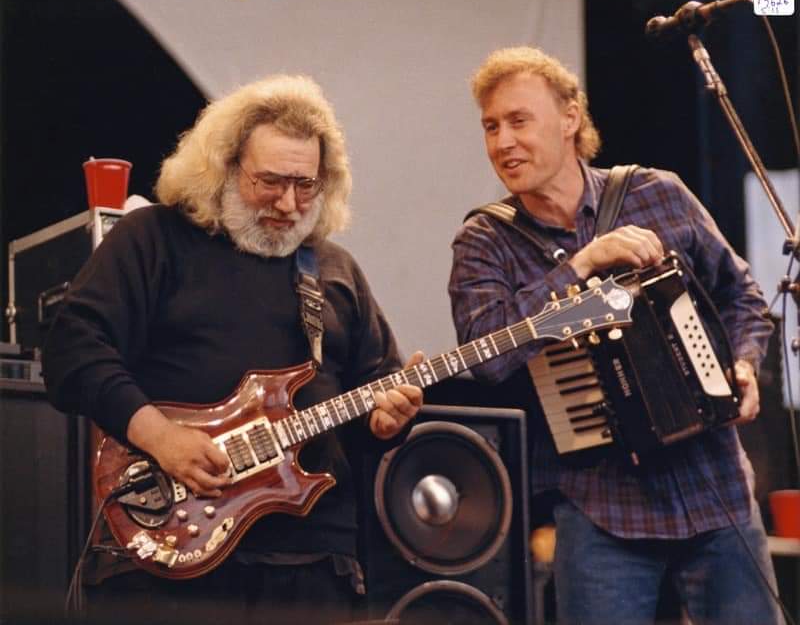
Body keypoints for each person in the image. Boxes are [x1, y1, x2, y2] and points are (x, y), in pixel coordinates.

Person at [43, 74, 423, 625]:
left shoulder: (336, 272)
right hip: (168, 553)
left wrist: (388, 423)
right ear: (221, 167)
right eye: (269, 182)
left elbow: (372, 401)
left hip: (314, 562)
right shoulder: (153, 239)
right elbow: (72, 349)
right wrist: (160, 436)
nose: (289, 203)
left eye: (306, 185)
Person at [448, 46, 784, 625]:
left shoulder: (658, 193)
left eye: (518, 121)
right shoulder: (485, 241)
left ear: (570, 117)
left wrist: (746, 364)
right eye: (490, 126)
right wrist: (578, 267)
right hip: (601, 508)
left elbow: (743, 298)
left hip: (715, 488)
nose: (502, 142)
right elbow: (487, 356)